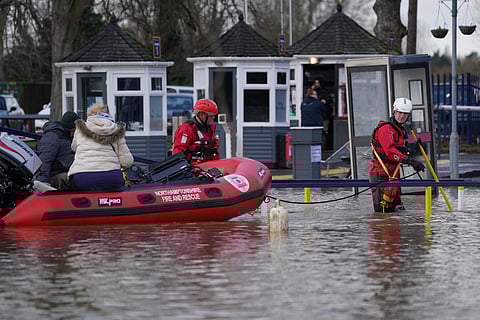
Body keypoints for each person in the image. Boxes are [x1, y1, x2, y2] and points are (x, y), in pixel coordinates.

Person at [368, 97, 425, 213]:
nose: (402, 116)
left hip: (393, 173)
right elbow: (390, 152)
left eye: (405, 114)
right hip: (381, 171)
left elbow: (399, 150)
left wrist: (412, 150)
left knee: (395, 207)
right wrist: (410, 161)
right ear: (394, 111)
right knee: (382, 210)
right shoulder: (385, 129)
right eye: (399, 112)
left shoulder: (400, 130)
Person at [67, 103, 134, 190]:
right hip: (111, 177)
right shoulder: (116, 130)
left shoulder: (80, 129)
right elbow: (127, 162)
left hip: (83, 176)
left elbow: (74, 148)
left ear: (90, 114)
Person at [36, 111, 80, 189]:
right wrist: (42, 183)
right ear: (71, 129)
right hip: (56, 175)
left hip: (69, 170)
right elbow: (45, 160)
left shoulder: (66, 137)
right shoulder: (53, 137)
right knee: (72, 179)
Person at [173, 98, 220, 164]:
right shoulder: (187, 128)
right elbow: (178, 151)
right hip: (193, 168)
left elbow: (214, 150)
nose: (213, 118)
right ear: (201, 114)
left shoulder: (211, 128)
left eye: (214, 116)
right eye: (210, 116)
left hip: (209, 167)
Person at [312, 79, 334, 148]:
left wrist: (325, 101)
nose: (316, 84)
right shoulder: (314, 92)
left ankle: (324, 146)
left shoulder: (324, 92)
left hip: (324, 115)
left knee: (324, 131)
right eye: (315, 83)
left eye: (318, 83)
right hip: (316, 116)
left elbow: (329, 101)